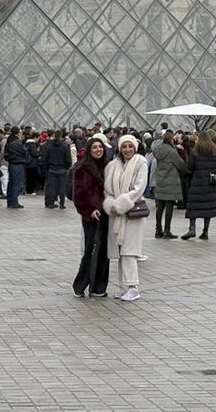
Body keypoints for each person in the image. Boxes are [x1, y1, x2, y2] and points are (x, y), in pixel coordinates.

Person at [103, 135, 149, 302]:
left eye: (130, 146)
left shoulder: (140, 162)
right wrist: (111, 205)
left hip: (132, 213)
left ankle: (132, 287)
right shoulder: (112, 165)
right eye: (124, 146)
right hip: (116, 213)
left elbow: (139, 188)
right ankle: (124, 286)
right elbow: (107, 189)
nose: (127, 149)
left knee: (130, 250)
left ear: (135, 148)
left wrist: (120, 204)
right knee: (121, 251)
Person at [72, 137, 111, 298]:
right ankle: (80, 284)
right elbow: (78, 195)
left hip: (106, 214)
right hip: (92, 216)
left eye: (100, 147)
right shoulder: (82, 168)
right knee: (91, 249)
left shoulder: (108, 166)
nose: (98, 150)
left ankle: (98, 287)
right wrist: (89, 210)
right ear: (89, 150)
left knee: (104, 252)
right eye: (94, 147)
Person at [182, 131, 216, 240]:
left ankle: (192, 228)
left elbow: (190, 167)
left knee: (193, 207)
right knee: (208, 208)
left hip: (197, 183)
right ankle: (205, 231)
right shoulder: (215, 151)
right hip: (210, 183)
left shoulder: (195, 151)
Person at [152, 132, 184, 238]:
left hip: (160, 179)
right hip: (171, 181)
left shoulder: (157, 149)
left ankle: (158, 230)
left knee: (160, 207)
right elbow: (180, 164)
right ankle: (167, 231)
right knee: (169, 206)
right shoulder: (171, 151)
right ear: (171, 139)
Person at [41, 129, 73, 209]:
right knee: (62, 187)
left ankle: (51, 203)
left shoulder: (49, 146)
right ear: (61, 136)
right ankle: (62, 204)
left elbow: (46, 158)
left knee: (52, 187)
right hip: (62, 169)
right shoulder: (65, 146)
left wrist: (48, 167)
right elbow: (68, 159)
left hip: (52, 169)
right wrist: (66, 167)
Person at [3, 127, 27, 209]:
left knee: (11, 183)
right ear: (18, 133)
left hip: (11, 164)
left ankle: (10, 201)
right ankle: (14, 201)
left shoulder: (9, 141)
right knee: (17, 183)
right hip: (18, 164)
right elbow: (24, 152)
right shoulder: (17, 143)